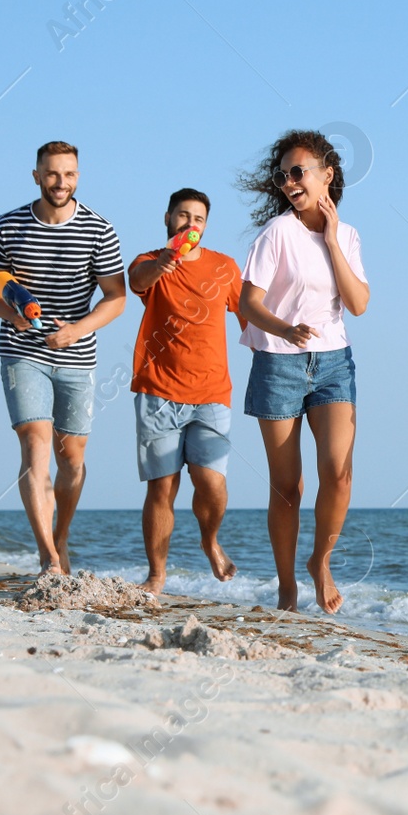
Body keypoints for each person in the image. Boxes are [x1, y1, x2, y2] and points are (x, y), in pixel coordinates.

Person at [236, 130, 369, 614]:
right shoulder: (276, 233)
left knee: (339, 474)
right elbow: (249, 303)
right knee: (288, 486)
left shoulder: (348, 236)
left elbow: (358, 304)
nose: (290, 182)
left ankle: (322, 561)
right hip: (278, 362)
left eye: (299, 172)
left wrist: (332, 240)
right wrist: (285, 328)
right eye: (284, 175)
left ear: (326, 175)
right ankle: (287, 585)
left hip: (334, 362)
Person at [0, 141, 125, 575]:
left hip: (78, 357)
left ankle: (61, 535)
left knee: (72, 458)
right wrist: (13, 316)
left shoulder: (99, 230)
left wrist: (76, 330)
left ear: (78, 176)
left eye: (70, 174)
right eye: (53, 174)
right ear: (37, 175)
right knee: (34, 445)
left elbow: (116, 298)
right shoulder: (8, 226)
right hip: (22, 354)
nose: (61, 182)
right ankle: (47, 556)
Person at [127, 188, 247, 594]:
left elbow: (249, 313)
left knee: (211, 482)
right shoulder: (149, 263)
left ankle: (209, 539)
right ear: (168, 218)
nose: (190, 224)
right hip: (158, 390)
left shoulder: (224, 266)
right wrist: (165, 261)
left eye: (197, 219)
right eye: (182, 216)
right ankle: (157, 576)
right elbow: (137, 282)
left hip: (212, 393)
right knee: (162, 488)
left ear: (206, 226)